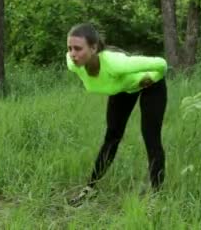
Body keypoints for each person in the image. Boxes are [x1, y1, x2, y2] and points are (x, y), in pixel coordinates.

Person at [65, 23, 168, 206]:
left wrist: (151, 78)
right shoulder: (74, 64)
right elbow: (70, 57)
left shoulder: (115, 63)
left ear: (94, 47)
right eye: (70, 48)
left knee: (151, 137)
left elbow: (161, 64)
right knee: (112, 137)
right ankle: (90, 189)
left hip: (151, 85)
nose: (72, 54)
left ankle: (157, 197)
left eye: (78, 49)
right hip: (121, 88)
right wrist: (74, 53)